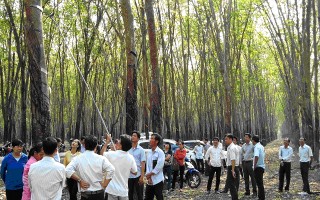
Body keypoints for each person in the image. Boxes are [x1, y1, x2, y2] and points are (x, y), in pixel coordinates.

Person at [66, 135, 115, 200]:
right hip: (99, 194)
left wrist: (79, 180)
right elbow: (111, 169)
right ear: (96, 145)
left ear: (84, 145)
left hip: (85, 195)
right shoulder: (101, 159)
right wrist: (105, 184)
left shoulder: (78, 158)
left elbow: (67, 170)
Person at [101, 134, 137, 200]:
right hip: (123, 191)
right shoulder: (131, 158)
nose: (117, 143)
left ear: (121, 145)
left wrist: (107, 142)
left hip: (112, 190)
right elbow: (135, 172)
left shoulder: (112, 154)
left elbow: (102, 154)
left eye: (119, 142)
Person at [144, 133, 165, 200]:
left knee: (159, 197)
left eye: (152, 138)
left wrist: (150, 174)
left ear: (156, 141)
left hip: (158, 180)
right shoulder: (149, 152)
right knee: (148, 197)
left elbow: (159, 166)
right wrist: (148, 177)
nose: (150, 140)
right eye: (150, 138)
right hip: (150, 180)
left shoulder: (160, 152)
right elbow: (148, 165)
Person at [128, 131, 146, 200]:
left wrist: (142, 176)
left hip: (138, 175)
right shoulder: (128, 149)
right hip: (129, 175)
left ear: (138, 139)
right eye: (132, 135)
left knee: (139, 194)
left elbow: (142, 163)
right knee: (130, 194)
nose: (132, 137)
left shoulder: (141, 150)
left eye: (135, 136)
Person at [223, 134, 238, 200]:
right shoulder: (231, 147)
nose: (225, 140)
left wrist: (232, 170)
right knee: (232, 185)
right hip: (233, 167)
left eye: (226, 139)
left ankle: (234, 198)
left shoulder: (232, 148)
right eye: (225, 139)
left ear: (230, 139)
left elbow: (233, 160)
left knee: (232, 185)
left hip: (232, 167)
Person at [252, 135, 265, 200]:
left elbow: (256, 156)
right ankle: (261, 197)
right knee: (260, 184)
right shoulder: (261, 146)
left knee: (259, 184)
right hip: (262, 166)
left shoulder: (256, 147)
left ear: (253, 140)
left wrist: (254, 166)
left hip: (258, 167)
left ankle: (261, 198)